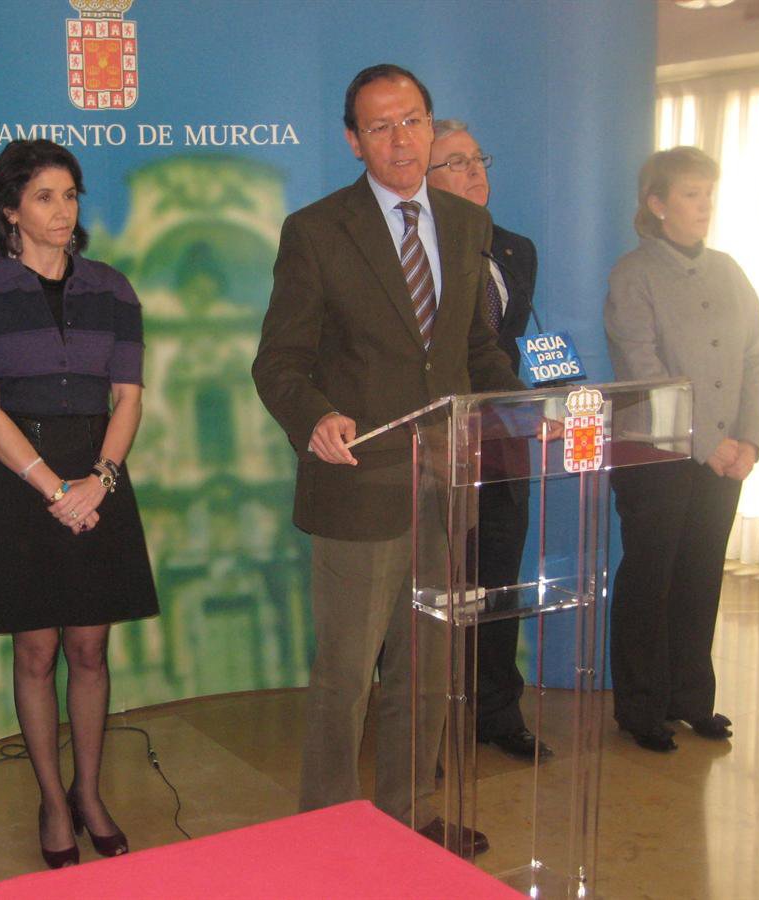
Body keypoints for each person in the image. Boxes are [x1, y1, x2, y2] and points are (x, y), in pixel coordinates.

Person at [252, 65, 523, 849]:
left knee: (427, 669)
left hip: (447, 481)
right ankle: (329, 832)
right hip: (359, 484)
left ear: (431, 126)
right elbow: (279, 361)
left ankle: (413, 815)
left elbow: (472, 348)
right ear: (353, 141)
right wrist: (315, 417)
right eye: (380, 126)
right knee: (346, 676)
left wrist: (530, 408)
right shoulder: (316, 231)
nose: (400, 139)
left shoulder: (466, 223)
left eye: (411, 121)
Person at [0, 139, 158, 869]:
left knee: (90, 649)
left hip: (100, 477)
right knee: (36, 651)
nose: (62, 210)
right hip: (21, 479)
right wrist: (54, 489)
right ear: (9, 210)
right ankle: (51, 801)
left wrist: (100, 479)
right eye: (44, 196)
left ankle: (89, 793)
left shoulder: (113, 289)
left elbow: (128, 398)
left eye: (70, 195)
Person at [605, 146, 759, 753]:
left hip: (726, 457)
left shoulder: (728, 270)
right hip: (657, 456)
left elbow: (755, 357)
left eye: (708, 194)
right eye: (691, 194)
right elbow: (644, 370)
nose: (704, 206)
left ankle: (691, 699)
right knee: (651, 579)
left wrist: (750, 438)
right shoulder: (633, 274)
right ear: (657, 204)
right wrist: (708, 443)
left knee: (701, 576)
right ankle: (642, 708)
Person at [427, 120, 549, 761]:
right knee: (432, 589)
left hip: (503, 440)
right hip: (436, 444)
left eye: (477, 158)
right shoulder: (413, 251)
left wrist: (534, 402)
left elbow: (504, 347)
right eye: (455, 162)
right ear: (424, 179)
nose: (474, 171)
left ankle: (497, 712)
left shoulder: (515, 250)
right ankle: (424, 723)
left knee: (498, 583)